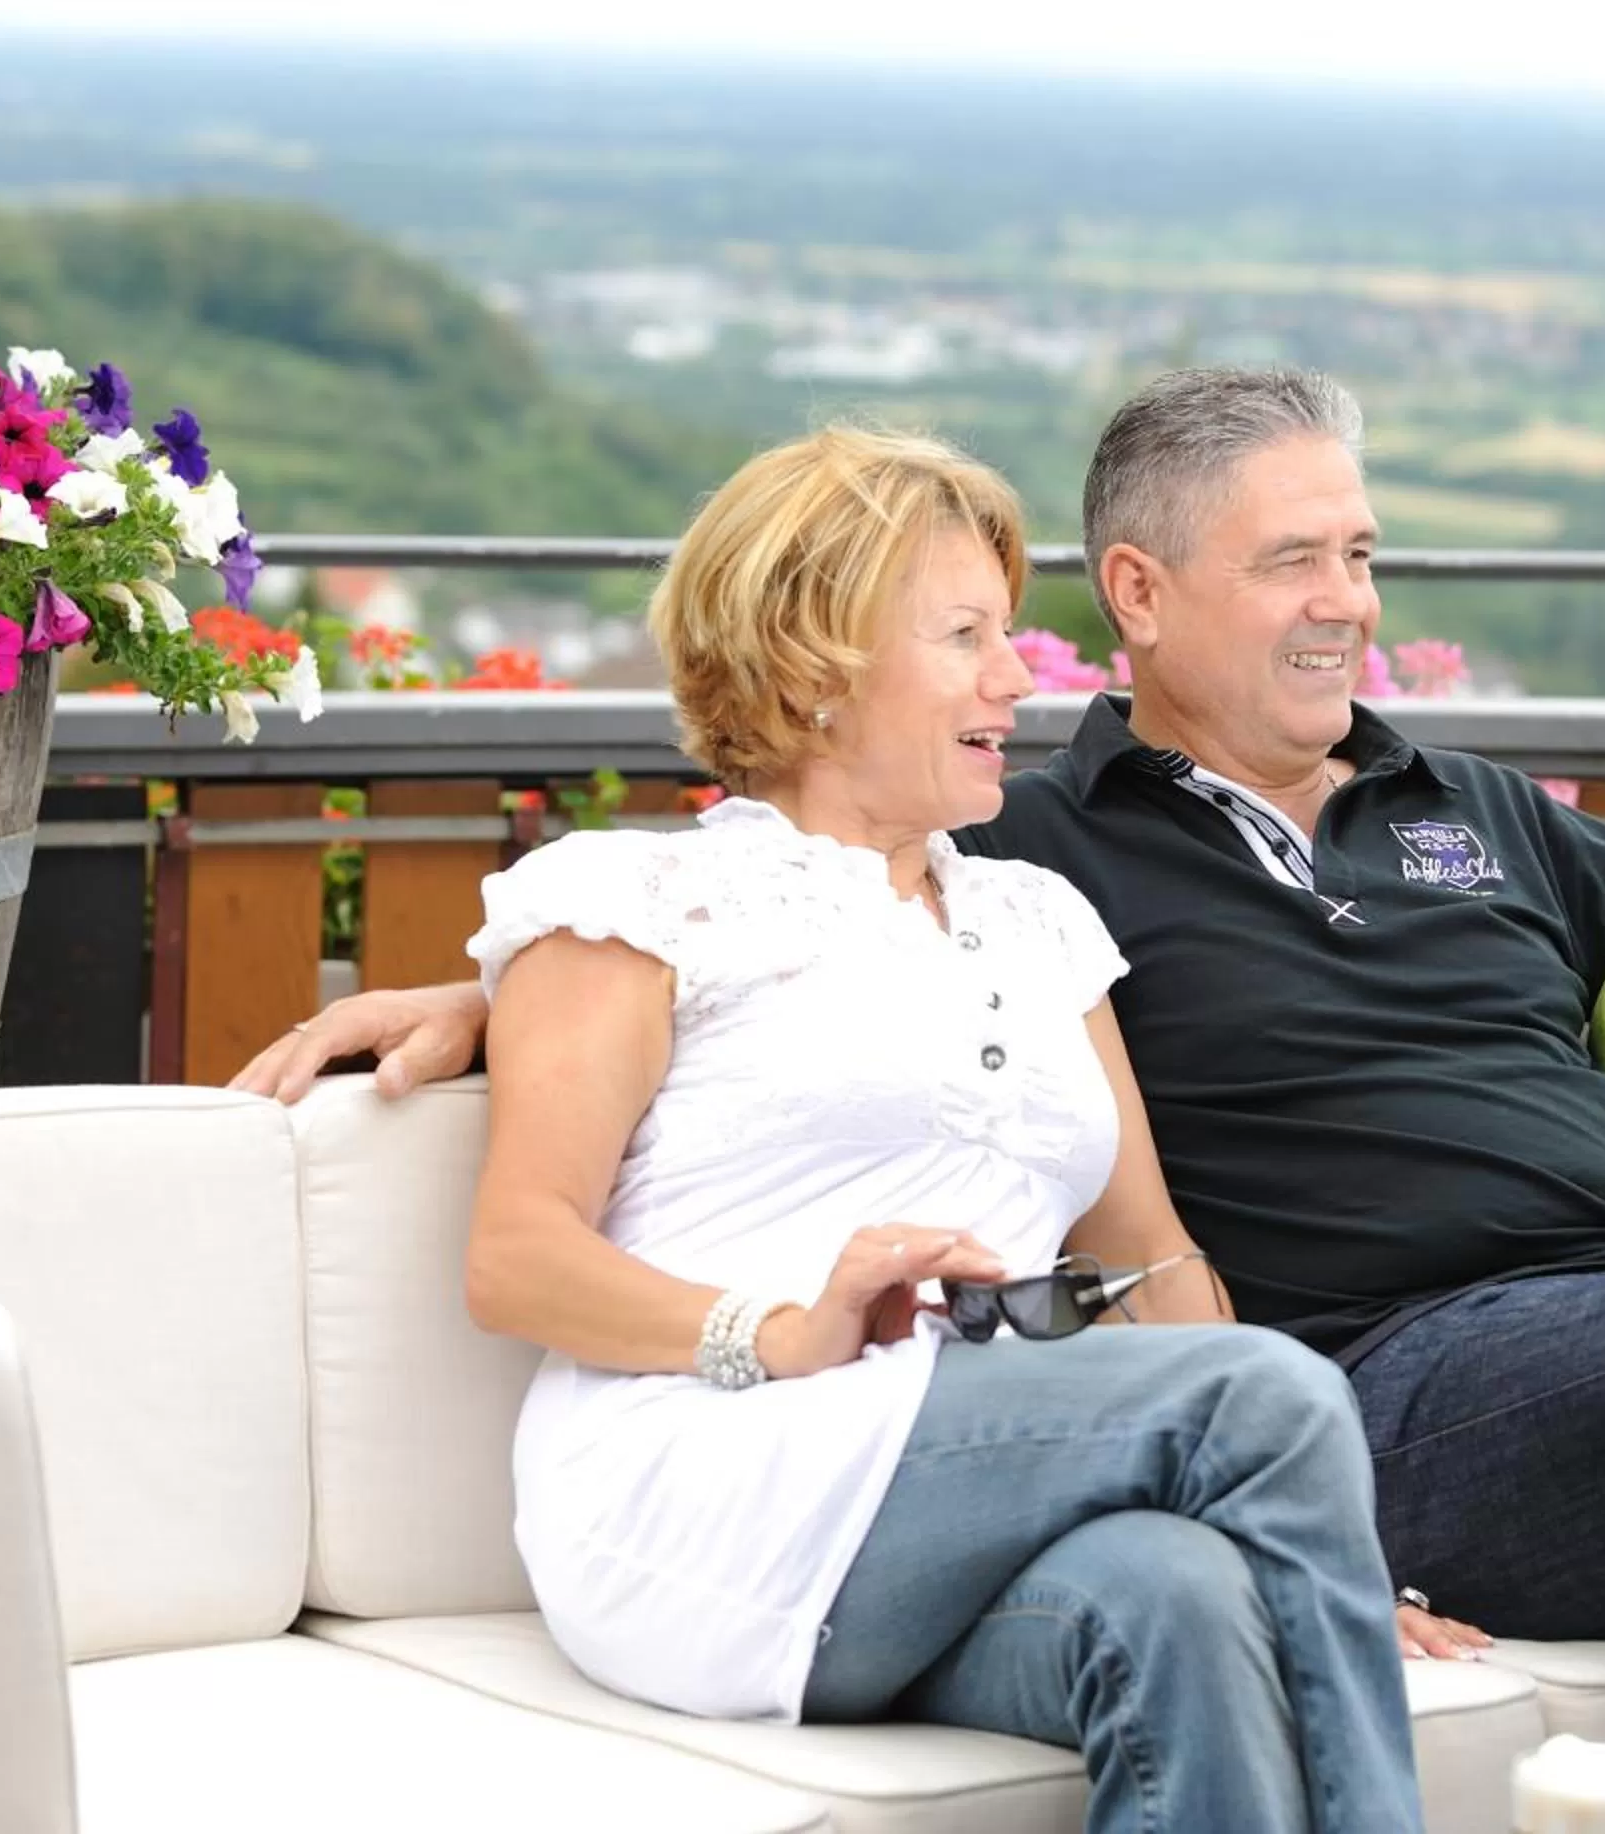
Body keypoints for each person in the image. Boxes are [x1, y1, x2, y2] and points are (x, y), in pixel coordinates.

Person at [241, 374, 1605, 1834]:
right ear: (1141, 597)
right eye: (1296, 559)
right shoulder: (1044, 840)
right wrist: (483, 989)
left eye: (1365, 553)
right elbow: (754, 930)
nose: (1352, 602)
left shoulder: (1424, 821)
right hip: (1380, 1389)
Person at [436, 423, 1443, 1834]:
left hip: (939, 1502)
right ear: (813, 666)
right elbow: (516, 1261)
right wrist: (780, 1331)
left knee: (1183, 1599)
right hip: (710, 1482)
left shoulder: (1038, 922)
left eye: (1008, 634)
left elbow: (1152, 1263)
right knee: (1266, 1393)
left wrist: (1315, 1557)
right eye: (964, 636)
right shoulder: (635, 904)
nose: (1015, 677)